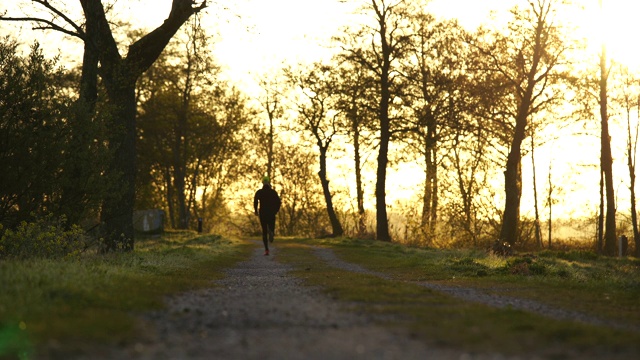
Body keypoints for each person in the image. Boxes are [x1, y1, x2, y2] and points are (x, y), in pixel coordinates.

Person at [254, 175, 281, 256]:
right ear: (269, 183)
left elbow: (255, 201)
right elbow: (279, 202)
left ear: (262, 183)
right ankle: (271, 232)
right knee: (271, 227)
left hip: (262, 213)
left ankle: (266, 250)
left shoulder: (259, 192)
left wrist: (256, 211)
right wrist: (276, 210)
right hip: (271, 213)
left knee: (264, 231)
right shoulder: (273, 192)